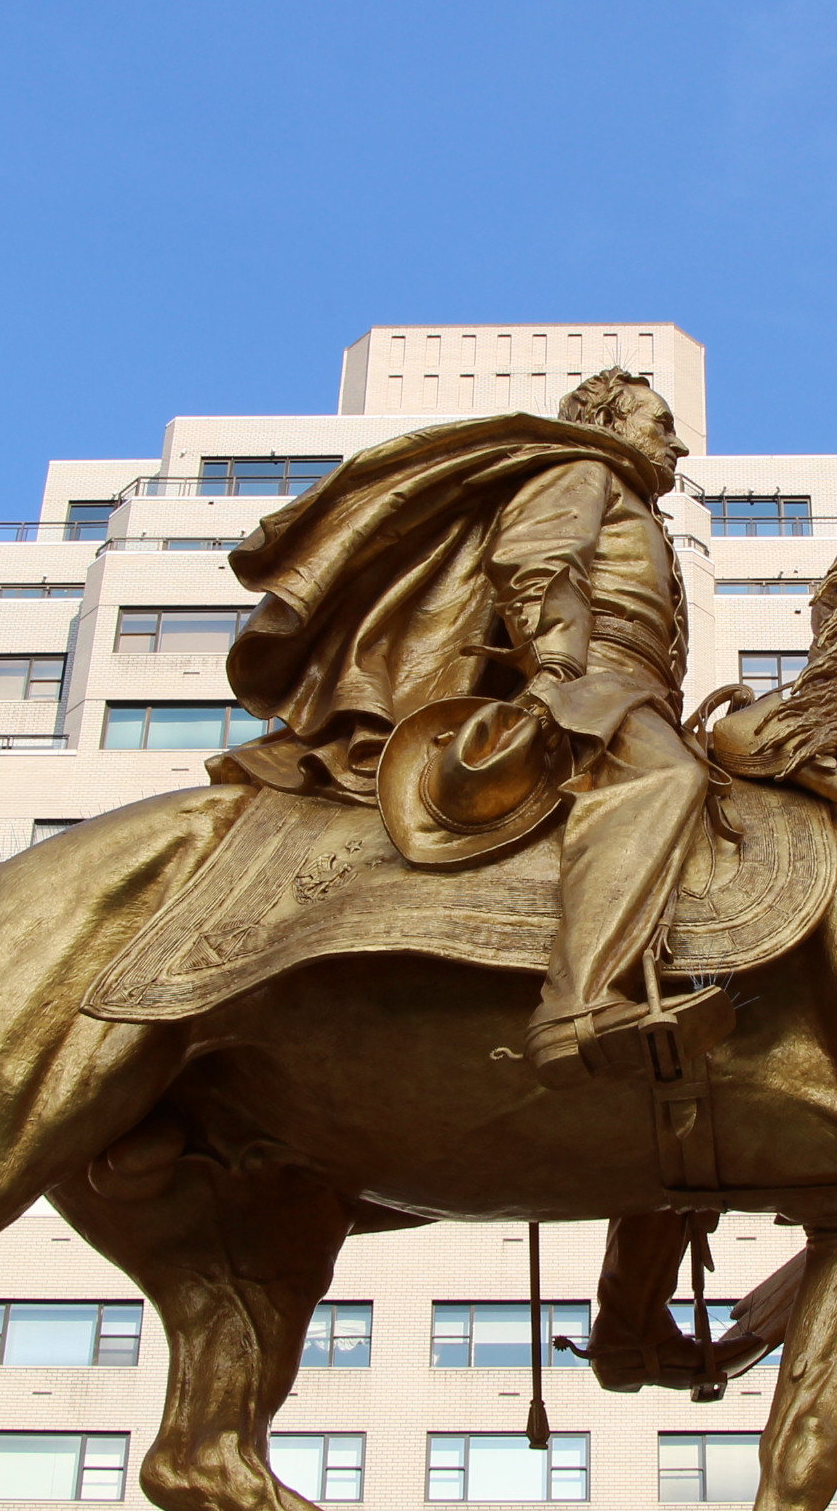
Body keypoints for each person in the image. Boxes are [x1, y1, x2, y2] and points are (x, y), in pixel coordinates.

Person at [212, 368, 714, 1085]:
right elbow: (540, 562)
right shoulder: (583, 464)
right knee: (667, 777)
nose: (677, 446)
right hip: (595, 675)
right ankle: (578, 1004)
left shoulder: (637, 502)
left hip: (642, 688)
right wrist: (558, 668)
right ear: (610, 419)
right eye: (662, 424)